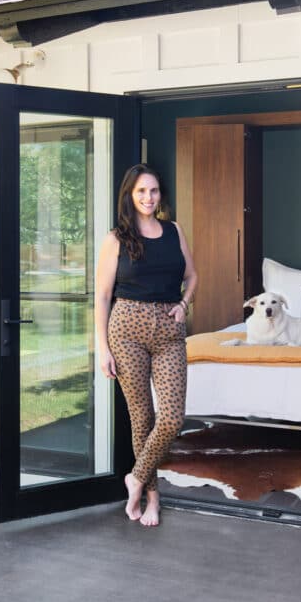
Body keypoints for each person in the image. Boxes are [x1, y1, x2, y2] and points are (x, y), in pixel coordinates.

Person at [95, 163, 197, 527]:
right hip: (127, 328)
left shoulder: (174, 231)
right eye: (141, 191)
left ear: (160, 194)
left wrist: (184, 304)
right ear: (130, 195)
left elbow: (192, 275)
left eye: (153, 191)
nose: (148, 197)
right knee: (142, 418)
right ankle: (153, 500)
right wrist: (103, 348)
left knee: (171, 418)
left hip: (169, 332)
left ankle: (135, 477)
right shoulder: (116, 238)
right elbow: (103, 295)